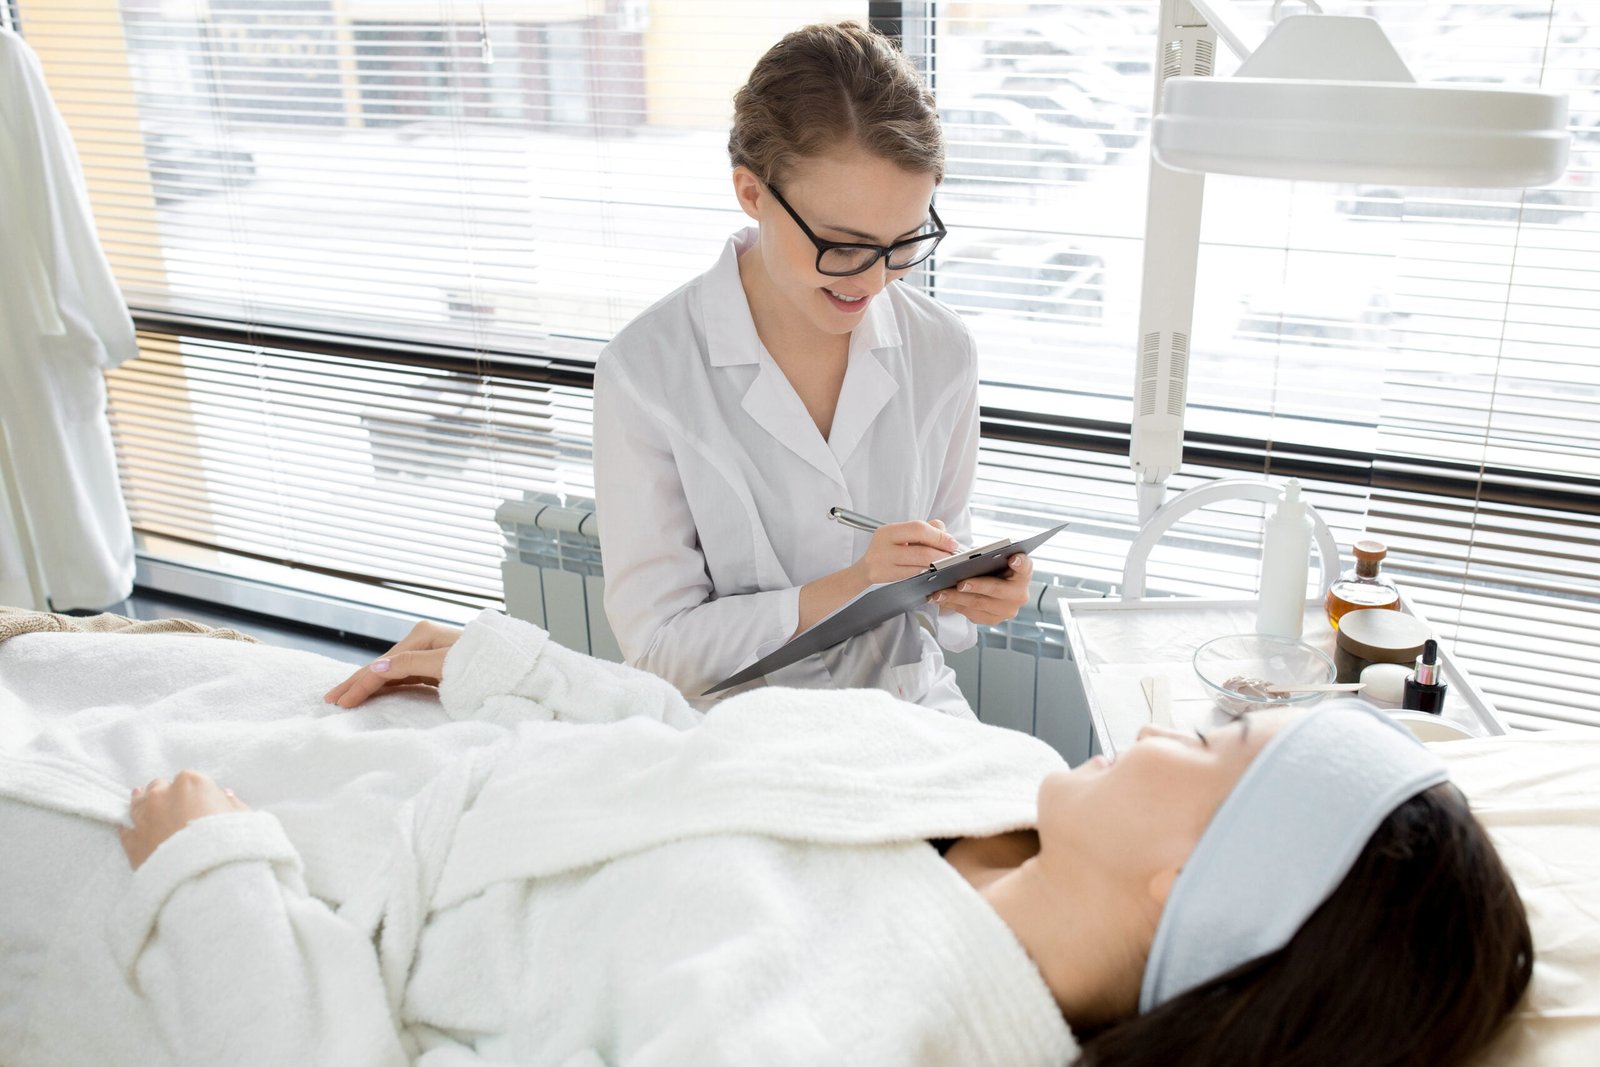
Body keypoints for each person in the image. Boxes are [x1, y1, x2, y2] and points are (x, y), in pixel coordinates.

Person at [3, 611, 1529, 1066]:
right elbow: (702, 748)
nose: (1164, 726)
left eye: (1210, 748)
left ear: (1194, 877)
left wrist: (214, 888)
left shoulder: (852, 1035)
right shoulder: (1000, 772)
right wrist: (516, 670)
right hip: (389, 755)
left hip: (256, 928)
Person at [590, 21, 1033, 716]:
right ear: (752, 193)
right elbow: (660, 650)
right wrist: (854, 584)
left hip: (909, 708)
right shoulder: (646, 371)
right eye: (842, 245)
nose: (874, 280)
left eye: (903, 243)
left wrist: (973, 588)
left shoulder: (942, 349)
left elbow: (946, 553)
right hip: (734, 726)